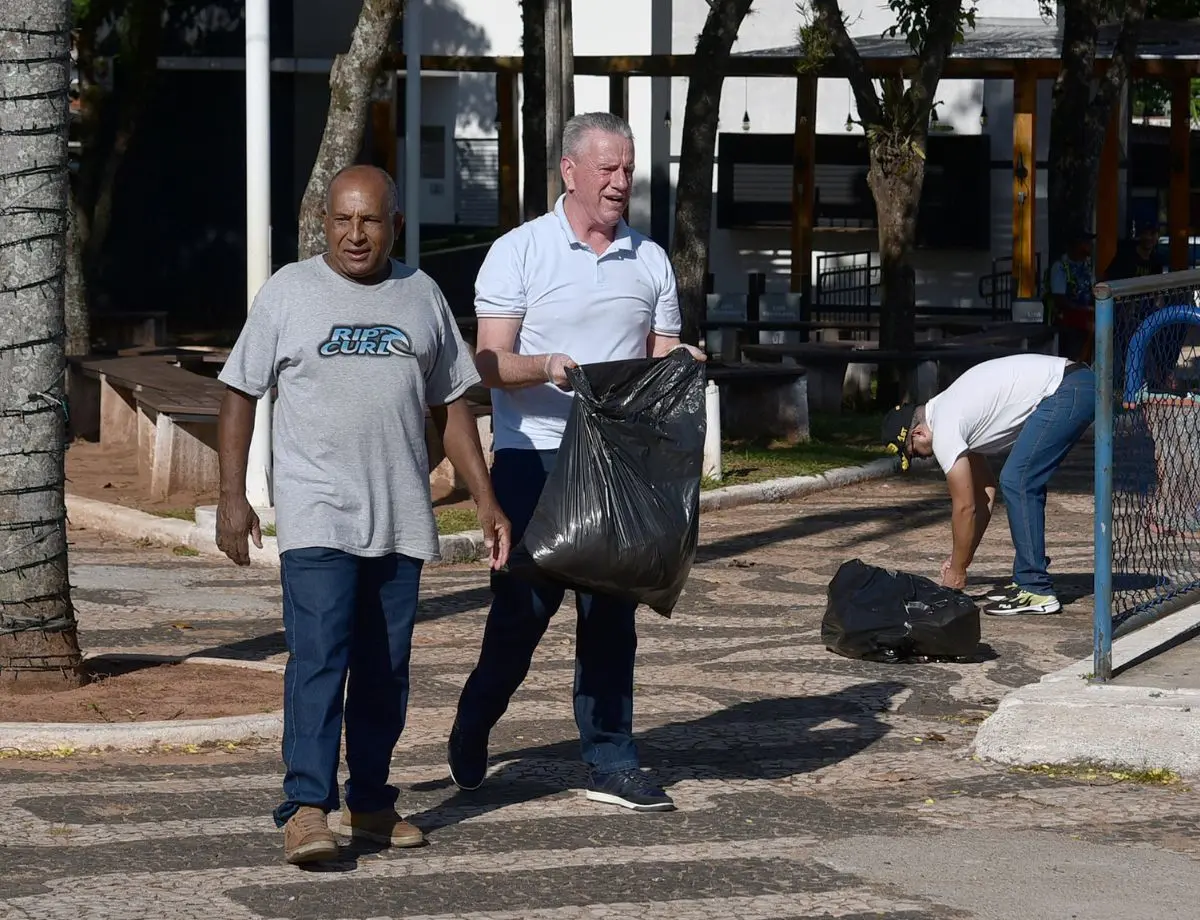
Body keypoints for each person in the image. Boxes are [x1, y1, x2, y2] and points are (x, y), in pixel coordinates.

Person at [215, 164, 511, 865]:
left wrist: (489, 501)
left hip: (401, 516)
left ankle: (372, 803)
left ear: (395, 225)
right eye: (343, 220)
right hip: (317, 513)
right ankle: (306, 807)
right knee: (320, 658)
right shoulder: (289, 292)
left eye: (370, 221)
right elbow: (237, 391)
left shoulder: (422, 294)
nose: (355, 234)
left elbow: (454, 409)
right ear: (325, 222)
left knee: (384, 669)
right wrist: (235, 494)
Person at [447, 112, 703, 813]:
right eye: (608, 170)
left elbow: (660, 355)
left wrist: (683, 363)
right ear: (570, 171)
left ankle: (612, 758)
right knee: (521, 615)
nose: (621, 182)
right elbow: (488, 363)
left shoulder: (650, 260)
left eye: (628, 170)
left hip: (618, 463)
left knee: (611, 613)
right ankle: (475, 719)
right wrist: (548, 366)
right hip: (534, 459)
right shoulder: (519, 251)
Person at [880, 353, 1095, 617]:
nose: (925, 457)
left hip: (1067, 389)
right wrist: (962, 559)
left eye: (915, 452)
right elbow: (983, 495)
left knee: (1019, 480)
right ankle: (1026, 582)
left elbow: (964, 507)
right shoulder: (951, 411)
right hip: (1073, 384)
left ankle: (1036, 589)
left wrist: (957, 573)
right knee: (1017, 479)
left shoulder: (945, 428)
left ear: (918, 433)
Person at [1047, 231, 1096, 363]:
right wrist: (1085, 309)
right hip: (1069, 322)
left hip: (1086, 320)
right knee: (1072, 360)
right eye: (1085, 242)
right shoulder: (1061, 267)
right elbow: (1060, 300)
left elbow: (1091, 290)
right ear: (1076, 245)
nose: (1090, 245)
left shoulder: (1086, 266)